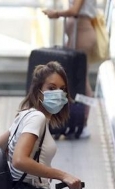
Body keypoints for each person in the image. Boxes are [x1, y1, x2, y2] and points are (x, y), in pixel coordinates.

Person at [42, 0, 99, 138]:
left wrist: (56, 13)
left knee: (81, 80)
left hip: (82, 34)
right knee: (72, 78)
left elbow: (74, 11)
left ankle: (82, 122)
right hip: (76, 35)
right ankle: (72, 120)